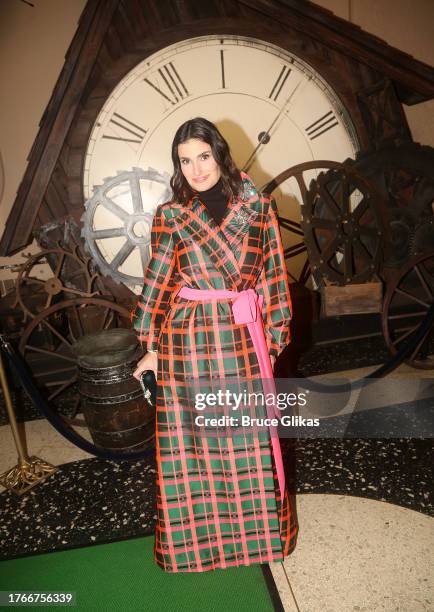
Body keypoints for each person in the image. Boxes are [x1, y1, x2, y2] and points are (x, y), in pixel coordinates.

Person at [131, 117, 298, 573]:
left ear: (219, 154)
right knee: (194, 451)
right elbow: (159, 282)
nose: (196, 169)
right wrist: (152, 345)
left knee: (246, 444)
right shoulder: (171, 215)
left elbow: (273, 277)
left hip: (242, 336)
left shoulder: (259, 207)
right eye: (185, 161)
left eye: (202, 156)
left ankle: (256, 542)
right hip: (189, 339)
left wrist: (273, 334)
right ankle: (196, 547)